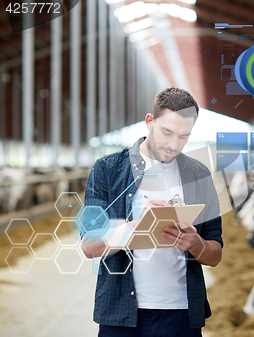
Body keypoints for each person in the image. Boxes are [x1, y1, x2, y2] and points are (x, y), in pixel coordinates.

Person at [81, 88, 223, 337]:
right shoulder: (108, 169)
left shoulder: (199, 175)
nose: (173, 144)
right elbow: (89, 246)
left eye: (183, 136)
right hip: (121, 315)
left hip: (181, 315)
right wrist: (139, 225)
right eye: (166, 132)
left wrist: (195, 243)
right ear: (149, 121)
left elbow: (215, 255)